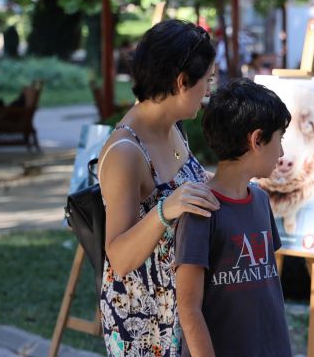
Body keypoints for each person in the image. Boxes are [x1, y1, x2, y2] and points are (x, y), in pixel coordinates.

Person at [97, 19, 221, 357]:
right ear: (182, 82)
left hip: (180, 307)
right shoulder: (126, 151)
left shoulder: (172, 127)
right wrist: (166, 210)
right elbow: (119, 258)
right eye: (206, 81)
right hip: (145, 321)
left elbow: (189, 185)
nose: (208, 91)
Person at [175, 78, 293, 357]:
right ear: (257, 140)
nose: (283, 152)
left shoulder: (262, 201)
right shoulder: (200, 210)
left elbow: (267, 294)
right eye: (280, 139)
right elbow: (188, 307)